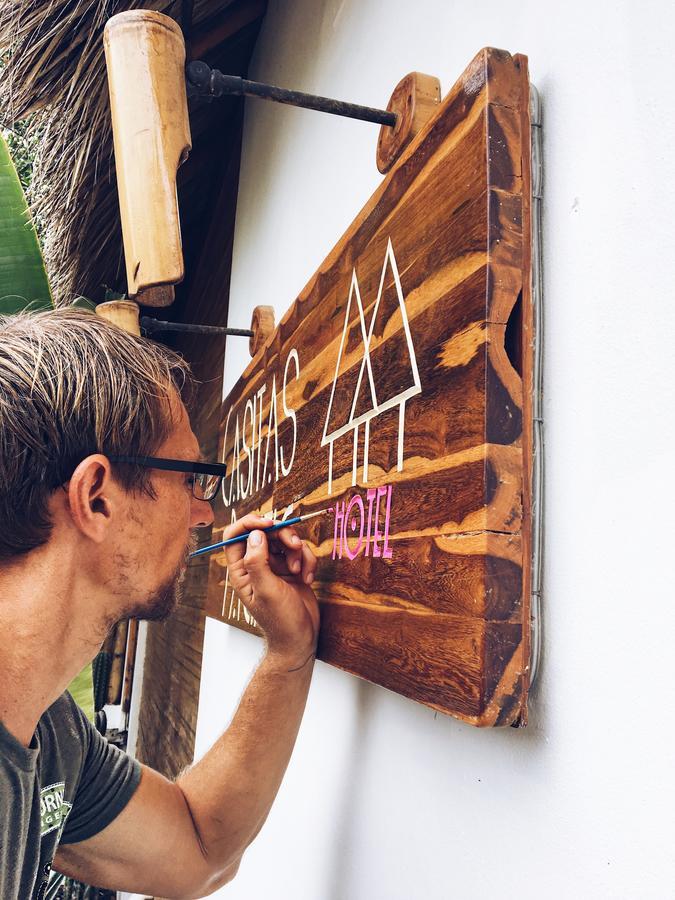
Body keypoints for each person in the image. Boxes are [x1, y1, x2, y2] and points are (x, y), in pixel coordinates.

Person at [0, 309, 319, 899]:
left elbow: (199, 847)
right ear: (96, 499)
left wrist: (289, 653)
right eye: (189, 480)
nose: (205, 513)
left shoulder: (49, 734)